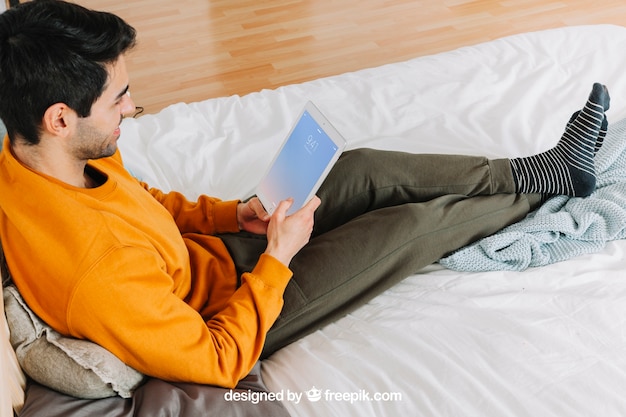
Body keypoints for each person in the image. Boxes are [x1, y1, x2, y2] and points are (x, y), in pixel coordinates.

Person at [0, 0, 610, 389]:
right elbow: (217, 361)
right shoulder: (97, 272)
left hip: (216, 255)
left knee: (359, 168)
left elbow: (146, 201)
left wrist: (233, 214)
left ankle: (537, 171)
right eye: (119, 100)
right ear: (60, 116)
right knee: (405, 228)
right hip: (239, 314)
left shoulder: (37, 158)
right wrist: (277, 261)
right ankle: (544, 190)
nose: (133, 108)